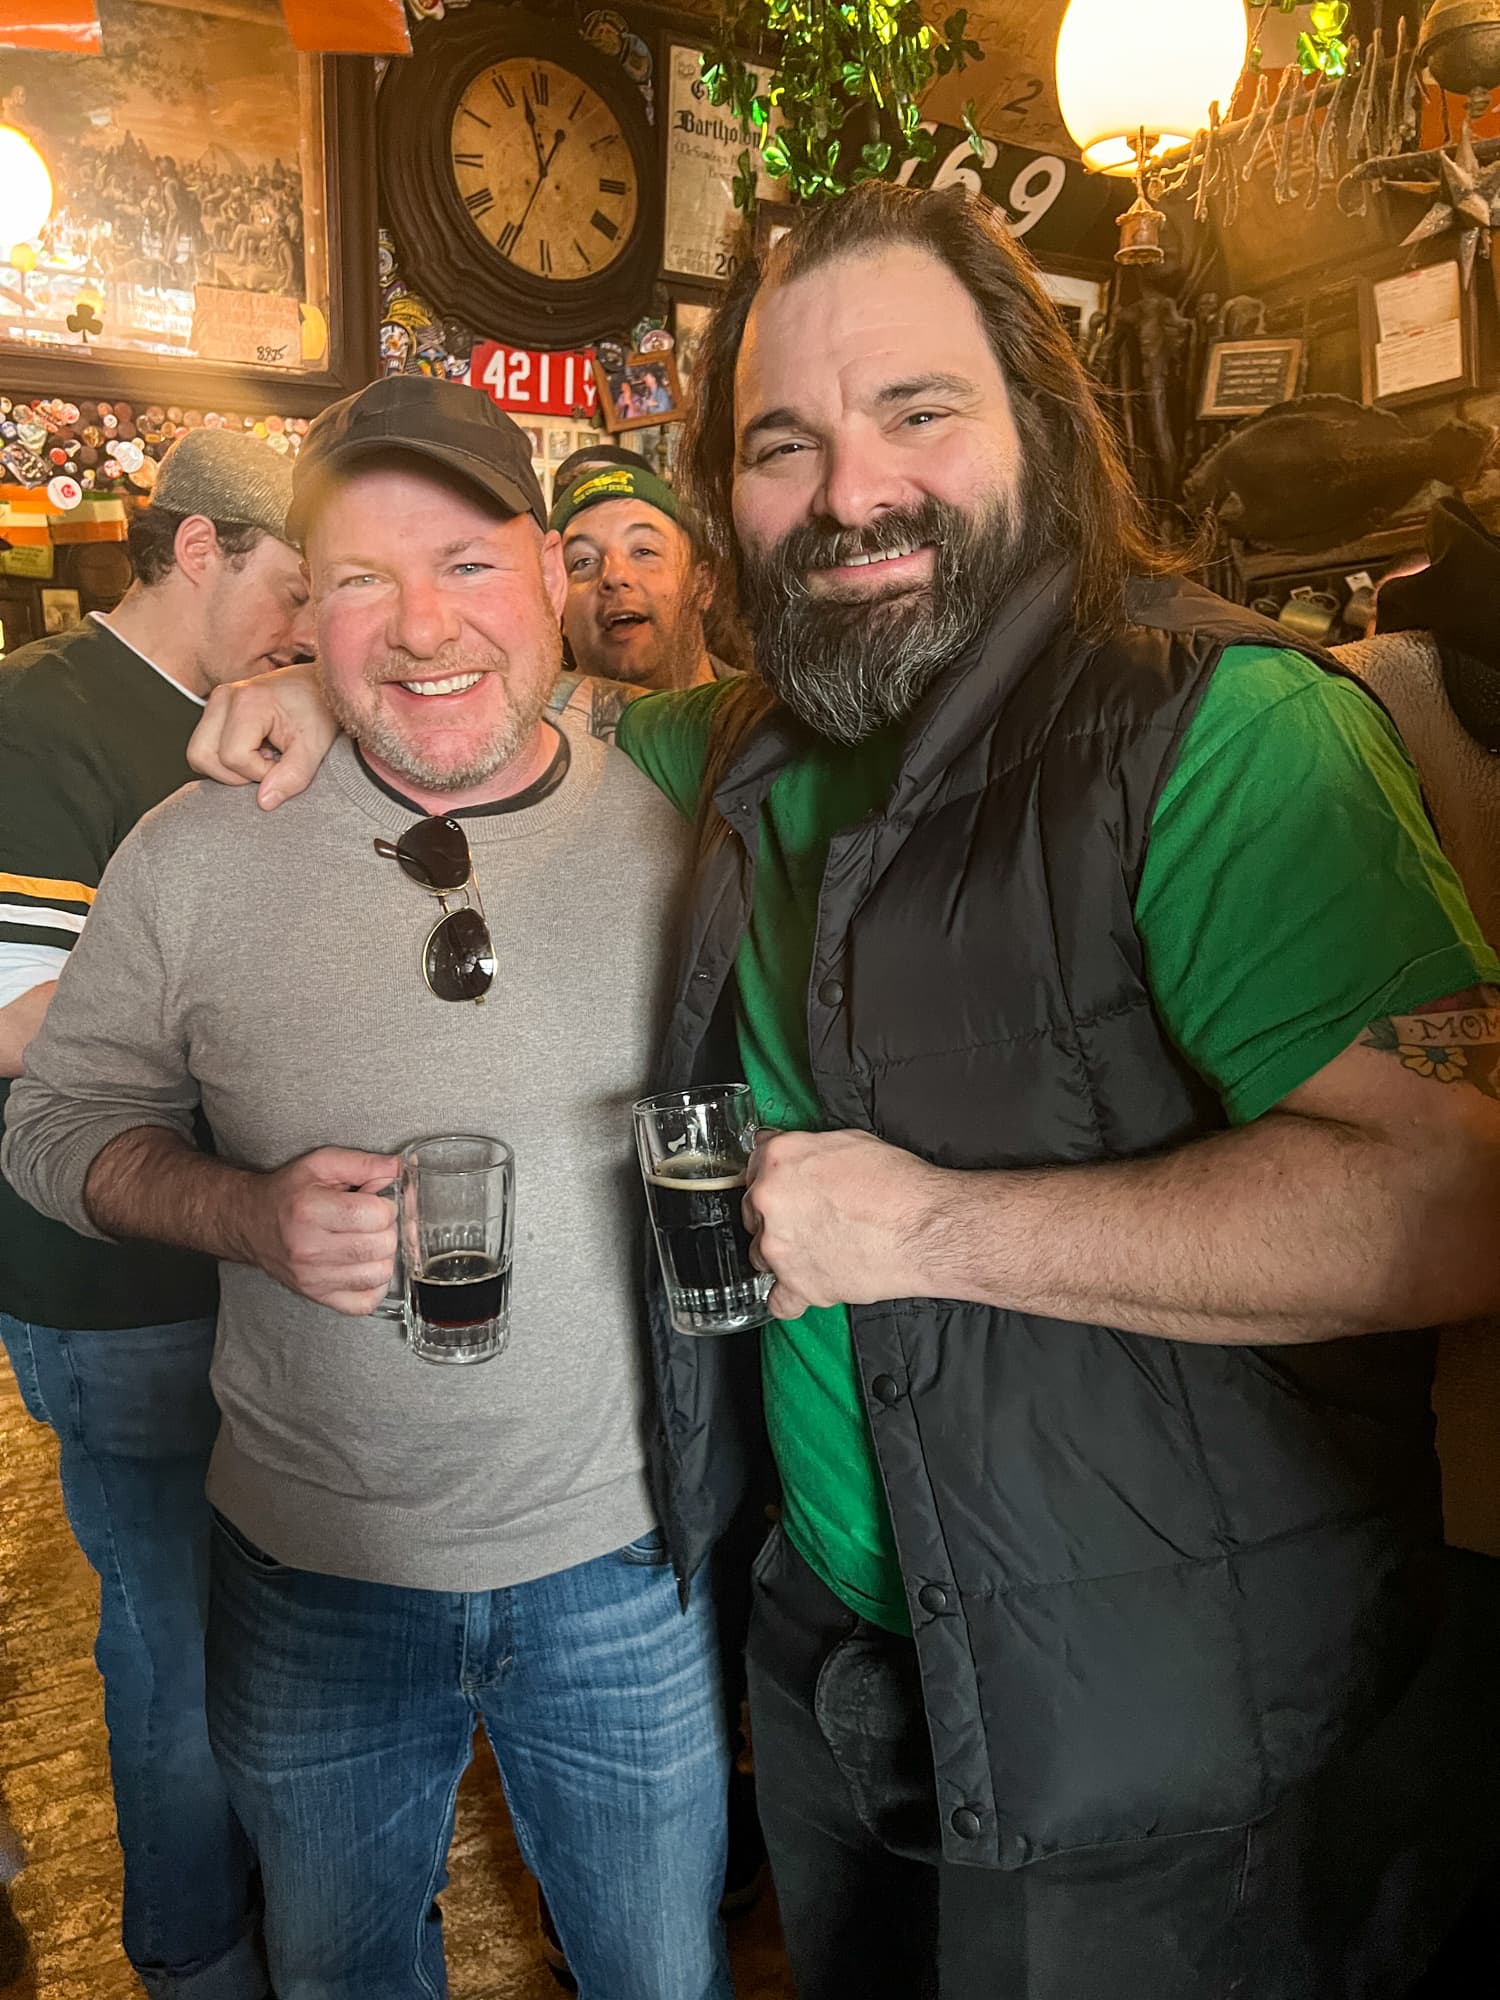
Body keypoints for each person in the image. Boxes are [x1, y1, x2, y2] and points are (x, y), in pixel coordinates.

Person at [169, 185, 1500, 1999]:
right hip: (830, 1662)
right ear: (731, 504)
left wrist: (930, 1227)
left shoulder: (1227, 729)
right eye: (783, 443)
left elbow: (1457, 1205)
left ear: (1041, 418)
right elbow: (478, 689)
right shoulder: (744, 740)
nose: (853, 490)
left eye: (918, 412)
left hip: (1170, 1733)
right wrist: (331, 686)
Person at [2, 375, 732, 2000]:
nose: (419, 627)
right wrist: (240, 1214)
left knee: (659, 1976)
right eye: (358, 579)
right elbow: (48, 1131)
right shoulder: (191, 853)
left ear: (549, 574)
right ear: (299, 617)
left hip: (620, 1565)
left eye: (467, 563)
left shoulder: (680, 825)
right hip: (312, 1576)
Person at [0, 426, 311, 2000]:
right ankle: (196, 1957)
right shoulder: (43, 719)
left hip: (231, 1270)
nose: (308, 624)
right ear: (198, 550)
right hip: (110, 1285)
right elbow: (11, 1012)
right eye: (291, 583)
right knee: (180, 1654)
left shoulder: (226, 718)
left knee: (241, 1636)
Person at [549, 452, 733, 692]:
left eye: (644, 551)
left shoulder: (771, 716)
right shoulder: (525, 725)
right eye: (583, 561)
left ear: (702, 584)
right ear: (556, 605)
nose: (614, 576)